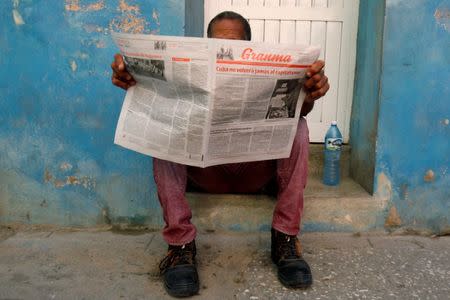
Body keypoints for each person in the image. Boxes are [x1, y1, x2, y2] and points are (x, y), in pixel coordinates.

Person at [111, 11, 329, 298]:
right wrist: (133, 78)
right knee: (164, 130)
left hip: (256, 174)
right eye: (217, 44)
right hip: (205, 173)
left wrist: (309, 96)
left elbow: (295, 114)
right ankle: (180, 247)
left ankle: (285, 238)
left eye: (236, 45)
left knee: (299, 127)